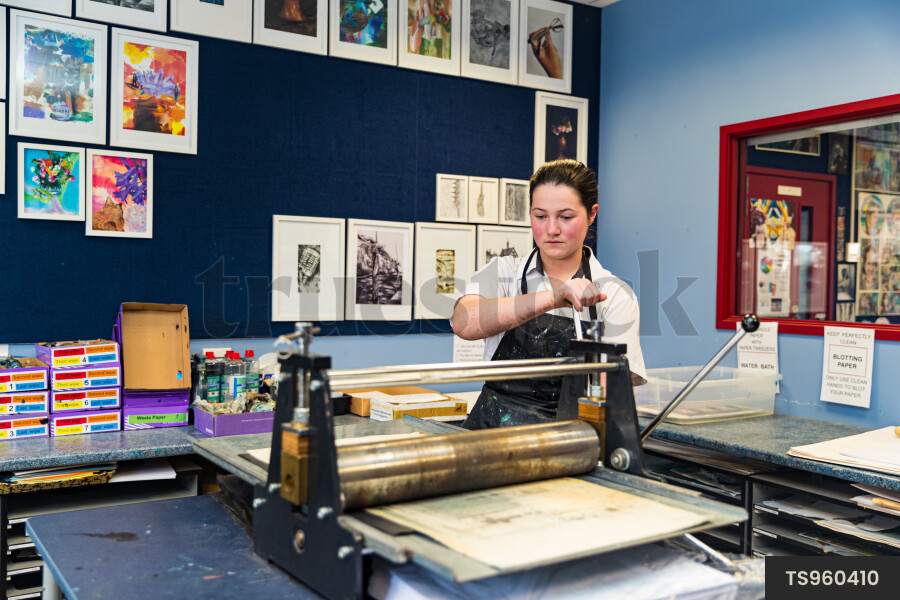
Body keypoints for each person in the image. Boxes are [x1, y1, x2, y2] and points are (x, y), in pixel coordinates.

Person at [451, 159, 646, 430]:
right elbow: (464, 322)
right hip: (489, 435)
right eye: (540, 216)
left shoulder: (613, 294)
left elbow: (617, 393)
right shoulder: (504, 270)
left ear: (592, 214)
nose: (552, 229)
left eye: (565, 217)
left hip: (569, 441)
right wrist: (552, 298)